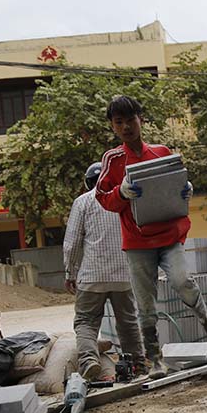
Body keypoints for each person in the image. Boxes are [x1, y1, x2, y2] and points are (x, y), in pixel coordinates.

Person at [95, 95, 207, 380]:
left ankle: (204, 316)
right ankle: (155, 360)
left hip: (169, 235)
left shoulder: (162, 152)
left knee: (182, 280)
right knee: (146, 306)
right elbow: (103, 198)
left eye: (131, 120)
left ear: (141, 119)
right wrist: (122, 192)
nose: (127, 126)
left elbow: (180, 183)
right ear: (113, 127)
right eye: (119, 122)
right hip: (138, 243)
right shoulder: (112, 160)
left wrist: (185, 189)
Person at [63, 163, 145, 381]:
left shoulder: (82, 202)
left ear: (88, 183)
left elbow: (71, 244)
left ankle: (89, 360)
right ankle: (137, 364)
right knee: (127, 323)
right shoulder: (127, 203)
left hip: (91, 277)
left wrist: (70, 273)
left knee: (86, 322)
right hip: (123, 276)